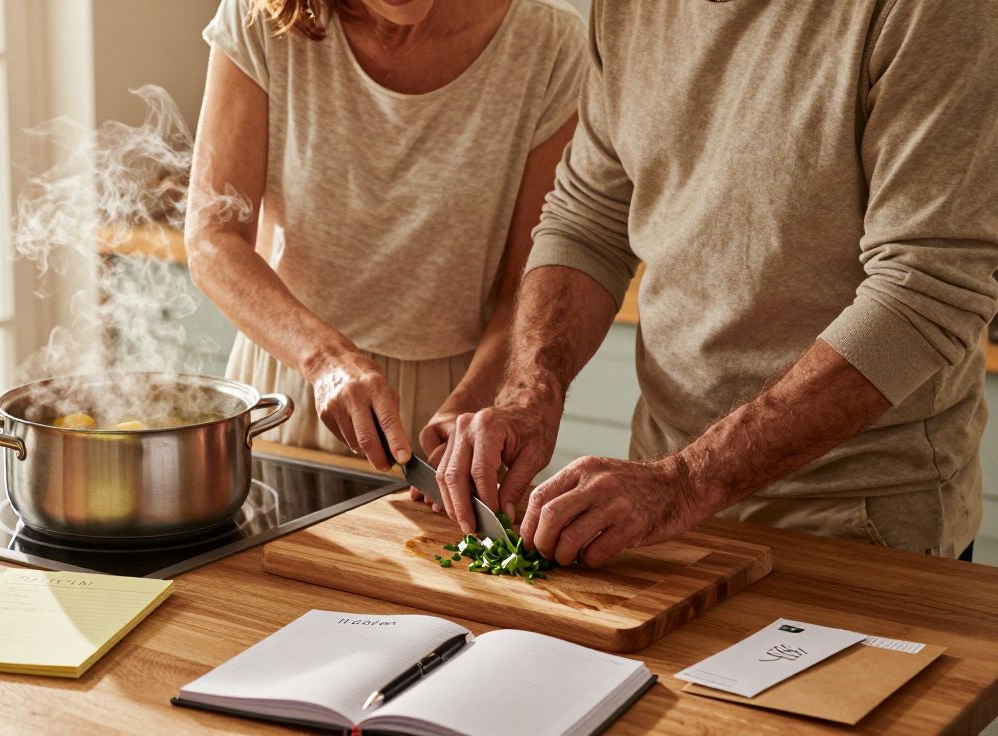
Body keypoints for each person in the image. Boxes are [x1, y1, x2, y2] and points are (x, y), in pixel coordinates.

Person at [434, 0, 998, 563]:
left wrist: (685, 481)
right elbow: (588, 219)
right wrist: (530, 392)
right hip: (658, 506)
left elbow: (924, 289)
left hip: (853, 520)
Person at [186, 0, 586, 475]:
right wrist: (324, 360)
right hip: (290, 386)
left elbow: (527, 283)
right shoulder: (262, 16)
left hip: (458, 409)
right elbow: (213, 239)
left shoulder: (549, 43)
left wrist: (472, 402)